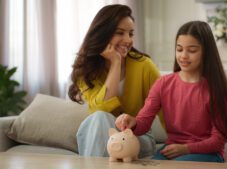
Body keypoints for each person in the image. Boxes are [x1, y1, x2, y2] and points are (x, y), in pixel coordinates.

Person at [115, 21, 227, 162]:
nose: (183, 56)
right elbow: (144, 122)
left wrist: (185, 148)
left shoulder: (215, 89)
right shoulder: (163, 83)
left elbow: (218, 141)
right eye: (179, 49)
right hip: (172, 149)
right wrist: (133, 122)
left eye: (192, 50)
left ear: (206, 52)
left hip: (207, 153)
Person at [68, 4, 162, 157]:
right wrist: (116, 63)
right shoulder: (85, 70)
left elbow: (166, 105)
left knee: (100, 119)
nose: (127, 40)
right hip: (100, 134)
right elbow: (101, 110)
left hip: (136, 137)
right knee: (99, 118)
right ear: (103, 34)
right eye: (120, 33)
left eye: (131, 34)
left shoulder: (144, 65)